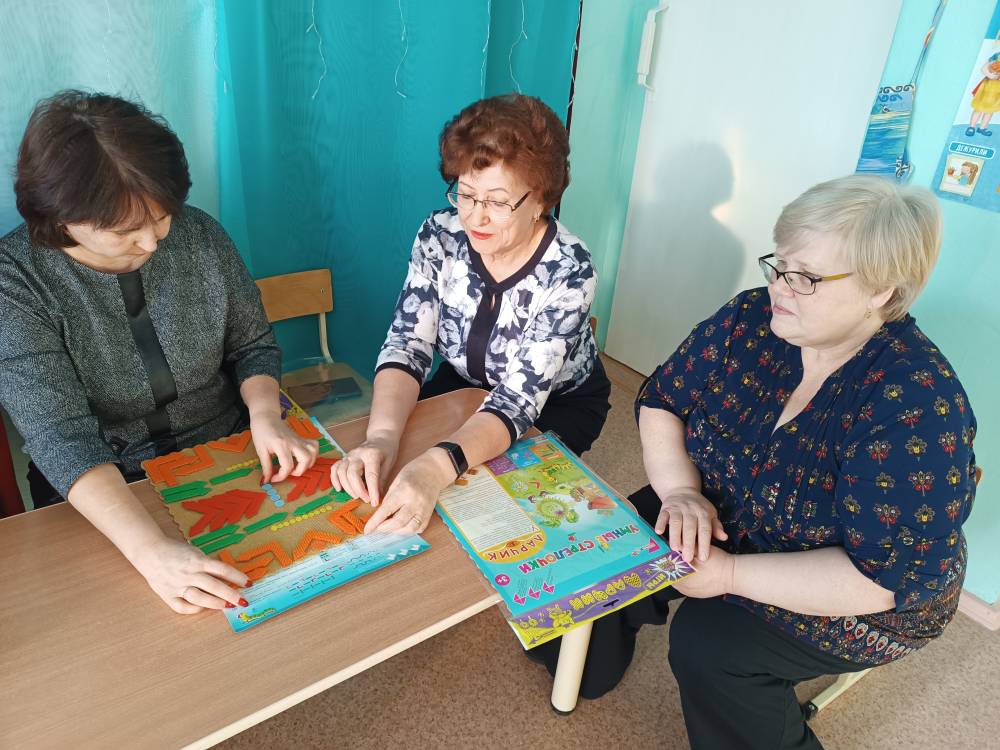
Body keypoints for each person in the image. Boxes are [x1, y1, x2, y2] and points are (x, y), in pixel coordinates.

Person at [630, 174, 976, 749]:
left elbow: (880, 580)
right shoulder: (752, 319)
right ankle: (581, 663)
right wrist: (679, 492)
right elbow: (663, 399)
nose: (778, 288)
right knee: (620, 541)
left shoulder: (914, 404)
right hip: (732, 508)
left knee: (711, 644)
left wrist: (729, 576)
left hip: (864, 595)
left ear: (881, 292)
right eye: (779, 264)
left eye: (806, 277)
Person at [0, 91, 318, 614]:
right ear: (60, 220)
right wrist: (150, 553)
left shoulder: (199, 234)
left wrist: (266, 417)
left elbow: (253, 345)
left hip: (229, 448)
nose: (152, 242)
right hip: (107, 485)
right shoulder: (17, 283)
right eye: (125, 230)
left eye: (162, 215)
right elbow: (62, 439)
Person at [331, 93, 610, 534]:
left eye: (497, 202)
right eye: (466, 194)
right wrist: (380, 437)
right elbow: (408, 343)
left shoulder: (570, 269)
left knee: (484, 508)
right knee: (396, 468)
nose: (475, 218)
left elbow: (517, 401)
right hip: (464, 381)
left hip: (555, 403)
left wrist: (435, 468)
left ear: (541, 199)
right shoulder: (439, 236)